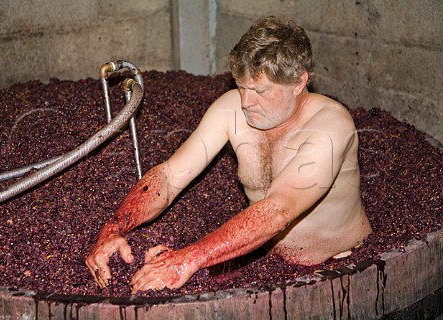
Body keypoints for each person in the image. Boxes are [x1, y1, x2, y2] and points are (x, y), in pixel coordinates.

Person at [85, 16, 372, 293]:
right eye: (241, 87)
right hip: (265, 262)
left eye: (260, 91)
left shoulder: (330, 127)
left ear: (298, 82)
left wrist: (188, 258)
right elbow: (170, 176)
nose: (247, 102)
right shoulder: (231, 109)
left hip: (345, 268)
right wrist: (114, 228)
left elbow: (278, 211)